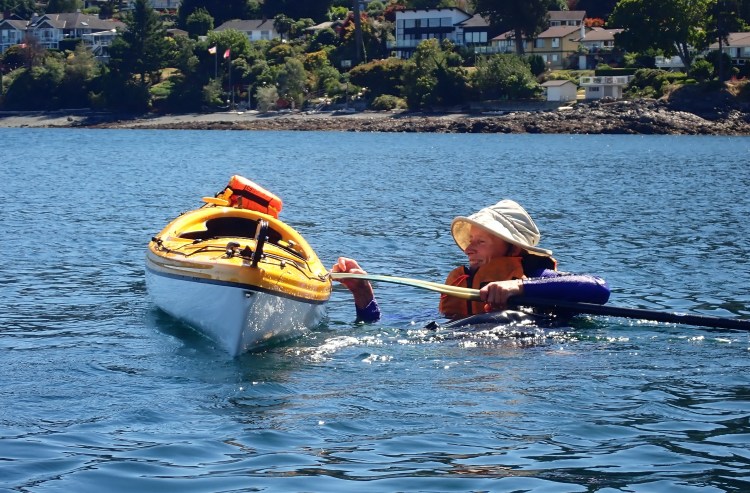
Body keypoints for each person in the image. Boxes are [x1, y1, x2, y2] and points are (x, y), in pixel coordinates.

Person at [332, 199, 610, 323]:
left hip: (526, 350)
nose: (468, 249)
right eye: (470, 241)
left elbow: (599, 288)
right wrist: (364, 296)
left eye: (481, 242)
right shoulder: (464, 282)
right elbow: (384, 327)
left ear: (512, 247)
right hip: (464, 344)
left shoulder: (534, 274)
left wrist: (517, 287)